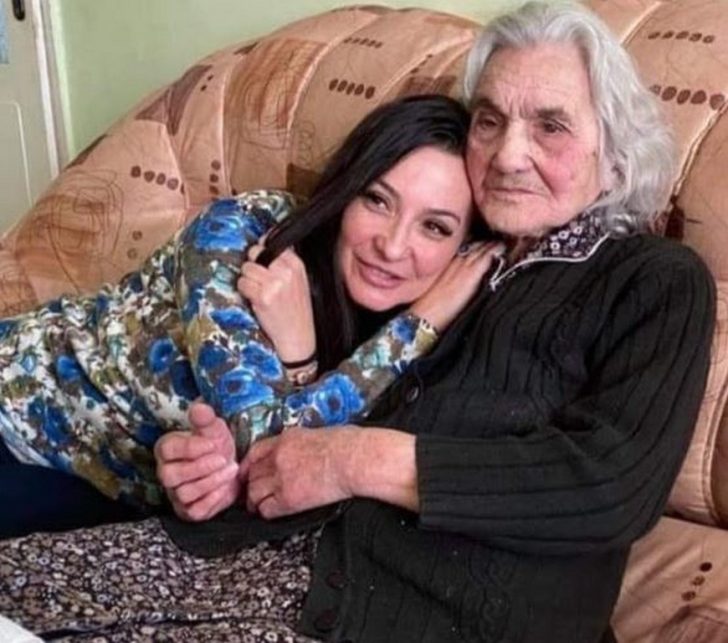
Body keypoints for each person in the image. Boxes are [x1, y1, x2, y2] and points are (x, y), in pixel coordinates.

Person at [0, 2, 716, 642]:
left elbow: (611, 485)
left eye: (551, 126)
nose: (507, 155)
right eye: (490, 120)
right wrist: (217, 470)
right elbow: (285, 433)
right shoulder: (443, 265)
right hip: (243, 550)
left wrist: (353, 459)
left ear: (613, 152)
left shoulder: (653, 277)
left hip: (388, 609)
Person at [0, 94, 501, 538]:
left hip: (108, 491)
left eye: (435, 227)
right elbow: (265, 448)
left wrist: (302, 362)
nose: (392, 246)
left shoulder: (414, 342)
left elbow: (285, 477)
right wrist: (420, 323)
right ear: (346, 191)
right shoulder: (238, 234)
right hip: (14, 413)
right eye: (377, 199)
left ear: (464, 249)